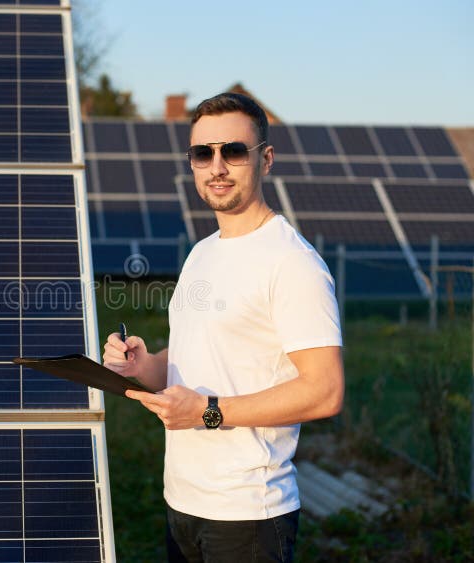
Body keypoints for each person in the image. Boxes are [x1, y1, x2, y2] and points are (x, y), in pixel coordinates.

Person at [103, 92, 344, 563]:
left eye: (233, 151)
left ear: (266, 159)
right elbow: (196, 358)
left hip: (247, 515)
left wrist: (207, 412)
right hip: (183, 502)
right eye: (202, 153)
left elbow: (325, 391)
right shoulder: (203, 252)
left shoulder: (292, 263)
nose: (217, 166)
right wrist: (143, 365)